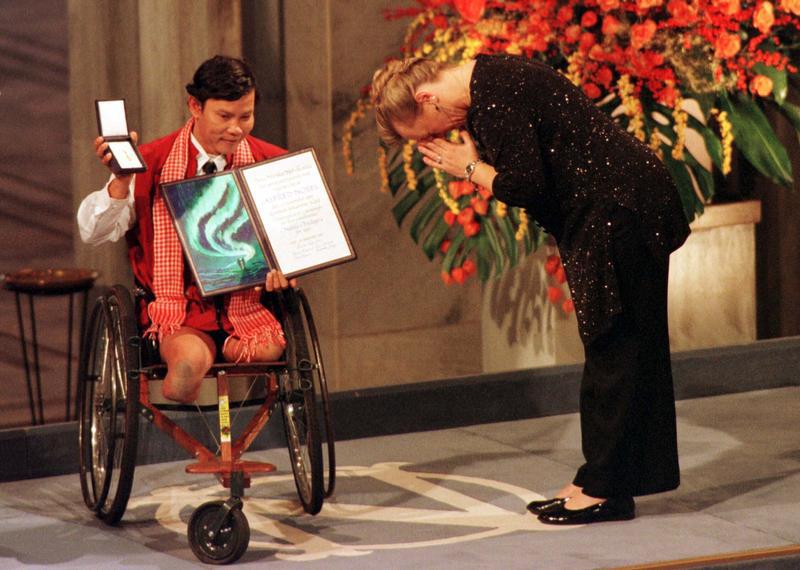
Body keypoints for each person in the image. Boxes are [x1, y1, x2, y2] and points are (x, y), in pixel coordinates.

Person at [370, 54, 690, 525]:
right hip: (608, 210)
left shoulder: (495, 96)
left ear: (427, 98)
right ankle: (599, 478)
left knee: (616, 346)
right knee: (615, 346)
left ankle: (606, 489)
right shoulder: (486, 85)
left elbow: (526, 186)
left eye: (427, 134)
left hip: (619, 210)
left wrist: (469, 166)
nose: (436, 143)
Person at [78, 55, 295, 404]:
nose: (236, 129)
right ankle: (194, 396)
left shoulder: (271, 161)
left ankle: (220, 430)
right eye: (224, 117)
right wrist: (120, 180)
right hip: (180, 312)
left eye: (246, 116)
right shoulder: (152, 162)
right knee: (187, 367)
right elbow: (94, 232)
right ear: (195, 106)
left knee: (269, 350)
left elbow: (296, 234)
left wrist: (291, 266)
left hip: (246, 305)